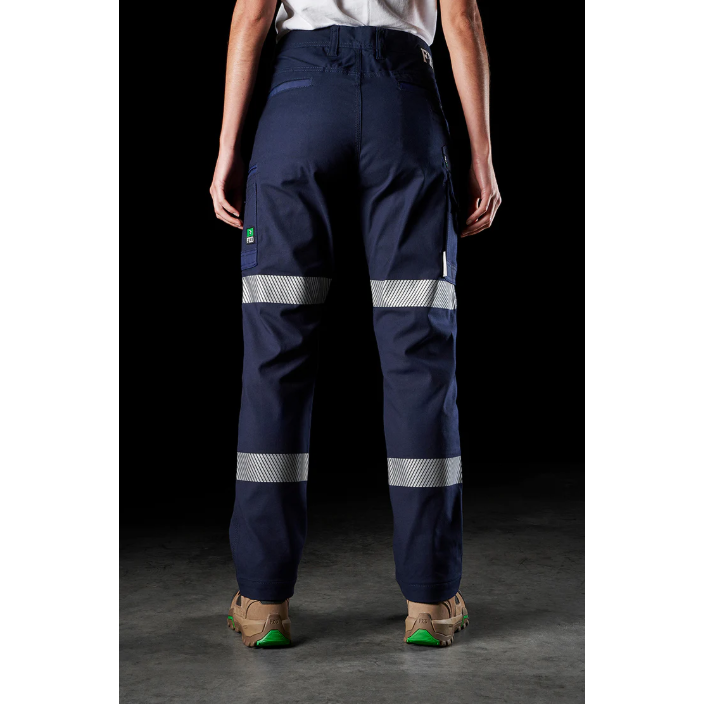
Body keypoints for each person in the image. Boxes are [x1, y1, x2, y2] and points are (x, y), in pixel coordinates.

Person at [210, 0, 500, 648]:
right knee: (420, 354)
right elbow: (460, 19)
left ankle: (263, 602)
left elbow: (252, 16)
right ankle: (430, 601)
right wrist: (481, 154)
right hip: (405, 104)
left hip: (298, 102)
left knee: (276, 354)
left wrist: (229, 145)